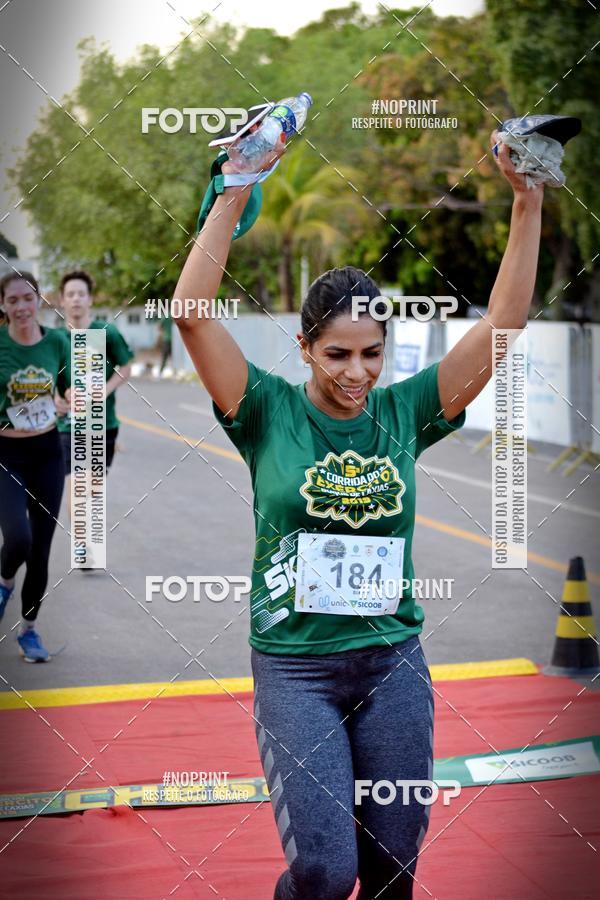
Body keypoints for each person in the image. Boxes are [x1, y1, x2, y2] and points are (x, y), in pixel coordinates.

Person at [172, 130, 544, 898]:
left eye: (371, 353)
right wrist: (237, 183)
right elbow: (191, 313)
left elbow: (503, 323)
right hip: (295, 668)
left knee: (390, 869)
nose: (357, 372)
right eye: (338, 355)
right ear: (306, 347)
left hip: (392, 665)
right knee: (325, 870)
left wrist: (527, 196)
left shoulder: (406, 410)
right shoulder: (265, 410)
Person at [0, 271, 71, 662]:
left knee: (40, 550)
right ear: (3, 306)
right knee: (19, 539)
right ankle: (4, 581)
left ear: (39, 299)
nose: (22, 306)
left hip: (47, 451)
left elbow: (68, 387)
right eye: (13, 300)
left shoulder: (57, 341)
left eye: (28, 298)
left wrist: (68, 398)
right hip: (6, 454)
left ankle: (28, 631)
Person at [56, 270, 134, 560]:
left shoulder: (106, 333)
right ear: (62, 301)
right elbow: (49, 377)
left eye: (81, 294)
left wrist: (107, 388)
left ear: (89, 299)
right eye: (70, 295)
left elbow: (125, 368)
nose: (76, 299)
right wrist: (56, 399)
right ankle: (80, 544)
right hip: (68, 426)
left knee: (94, 485)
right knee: (76, 482)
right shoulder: (57, 339)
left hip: (104, 425)